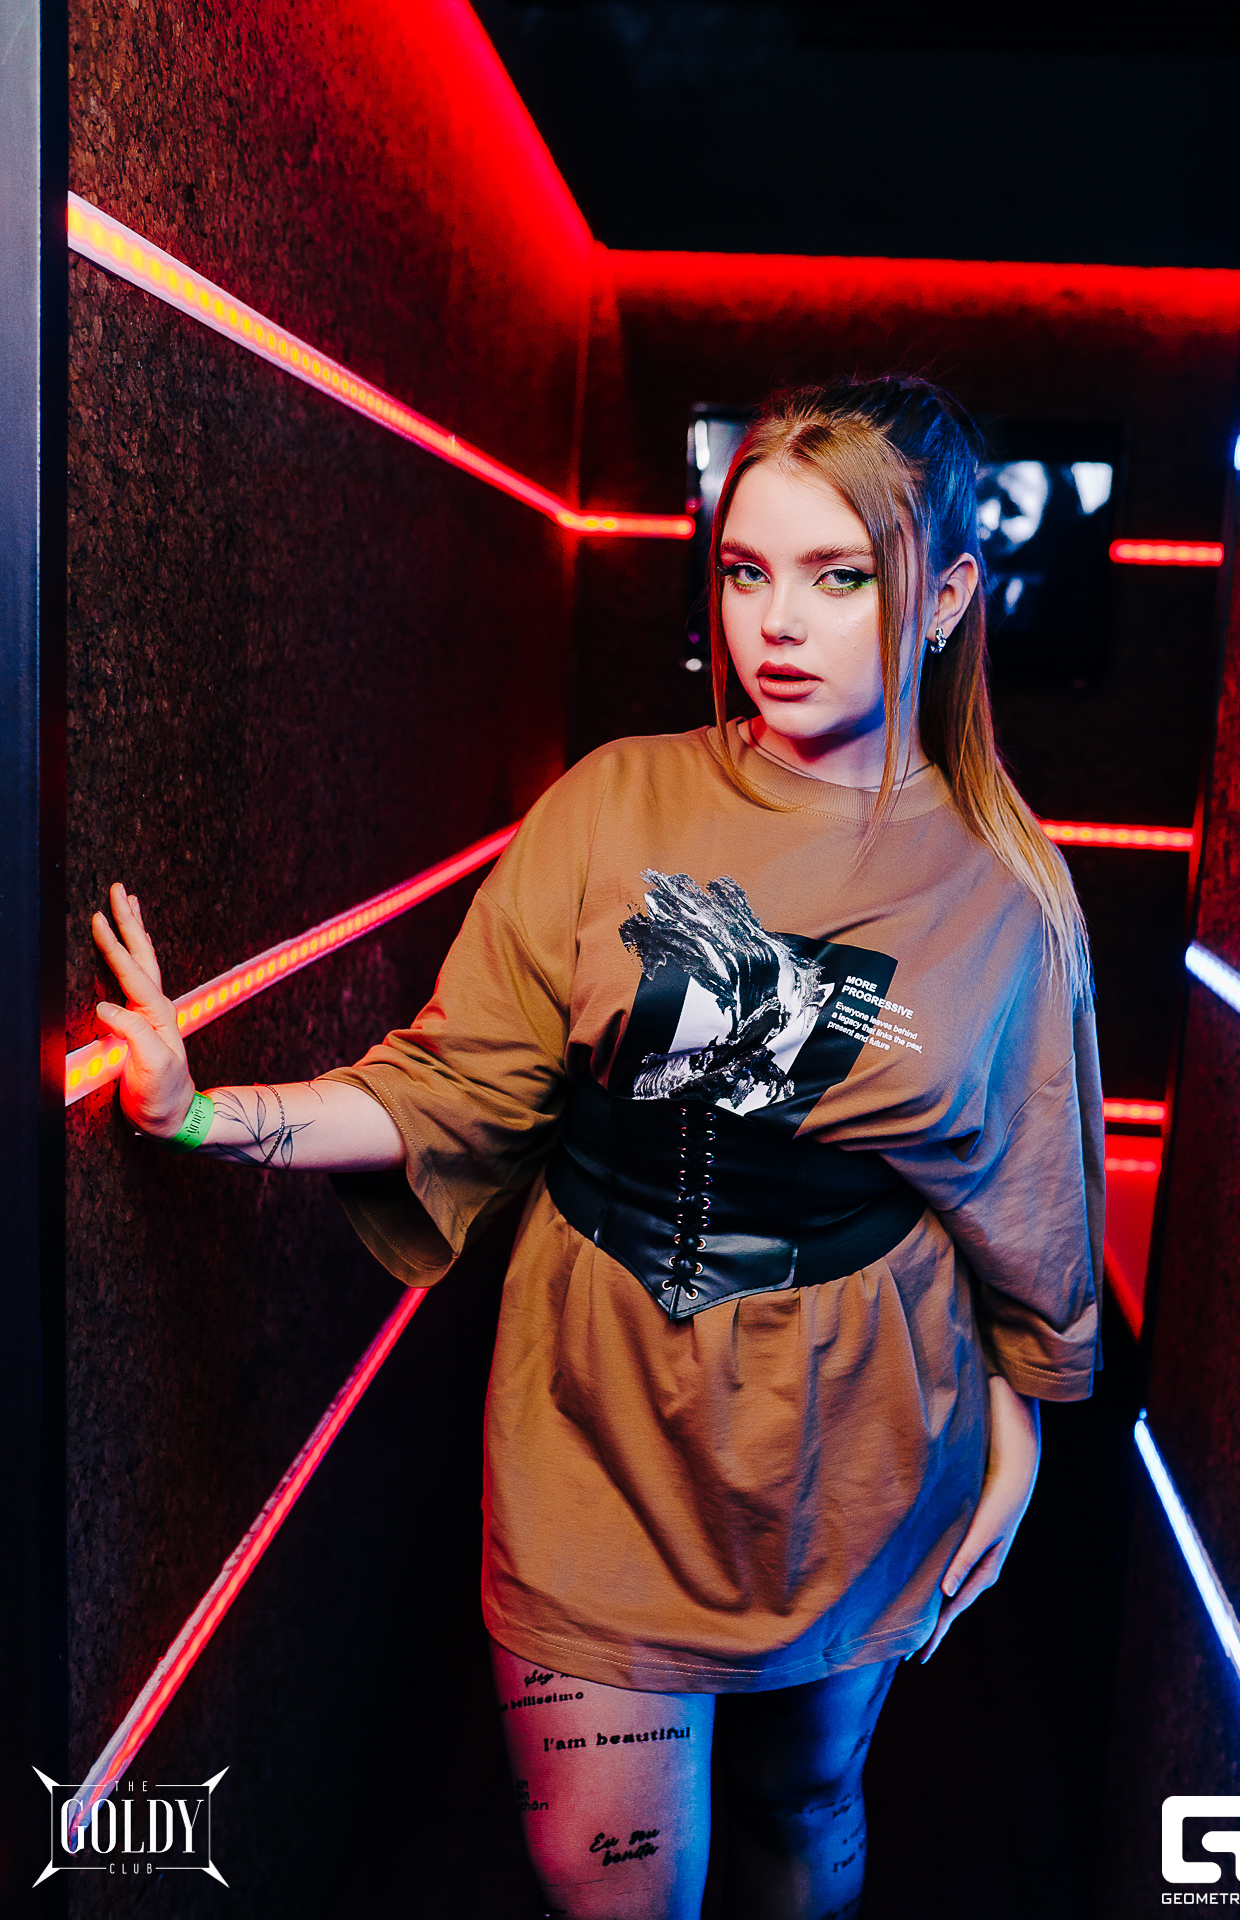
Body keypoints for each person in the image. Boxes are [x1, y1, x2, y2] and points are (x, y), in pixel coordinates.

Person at [91, 375, 1103, 1920]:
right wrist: (201, 1112)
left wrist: (1018, 1432)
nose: (779, 622)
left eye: (840, 577)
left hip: (857, 1434)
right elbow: (453, 1089)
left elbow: (1024, 1194)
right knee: (605, 1884)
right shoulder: (612, 801)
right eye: (748, 570)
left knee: (803, 1802)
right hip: (596, 1407)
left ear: (952, 596)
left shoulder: (1009, 889)